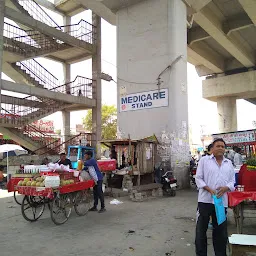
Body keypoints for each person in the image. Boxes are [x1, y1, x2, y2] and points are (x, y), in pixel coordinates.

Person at [195, 138, 235, 256]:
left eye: (222, 146)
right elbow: (198, 178)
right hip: (205, 201)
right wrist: (208, 189)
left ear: (225, 149)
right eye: (218, 146)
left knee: (220, 231)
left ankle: (220, 254)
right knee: (201, 231)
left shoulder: (229, 164)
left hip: (221, 202)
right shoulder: (204, 161)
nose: (220, 148)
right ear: (212, 149)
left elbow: (232, 181)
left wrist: (226, 188)